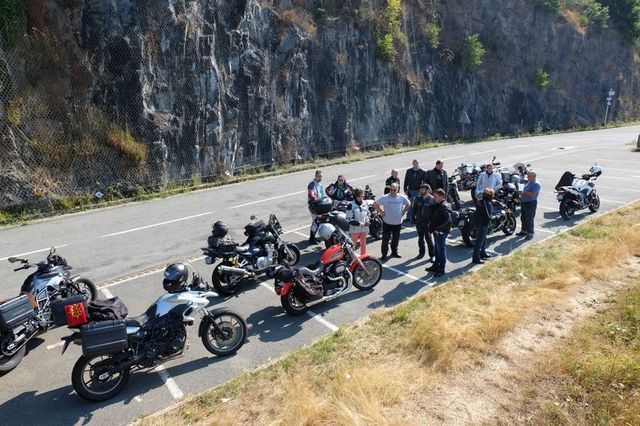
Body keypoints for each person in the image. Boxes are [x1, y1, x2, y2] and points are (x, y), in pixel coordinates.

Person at [374, 183, 410, 260]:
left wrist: (403, 212)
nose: (392, 191)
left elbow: (408, 204)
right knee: (385, 240)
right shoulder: (385, 197)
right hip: (387, 222)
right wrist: (381, 212)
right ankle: (384, 255)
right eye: (391, 190)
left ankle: (394, 252)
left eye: (394, 190)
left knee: (395, 239)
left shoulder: (401, 197)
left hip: (397, 223)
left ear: (397, 190)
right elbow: (375, 204)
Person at [427, 189, 451, 278]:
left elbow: (447, 221)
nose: (434, 198)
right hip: (436, 231)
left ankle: (441, 269)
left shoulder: (445, 206)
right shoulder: (437, 204)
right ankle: (435, 266)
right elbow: (434, 219)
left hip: (441, 232)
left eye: (436, 196)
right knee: (437, 250)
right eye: (434, 196)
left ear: (441, 196)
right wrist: (431, 230)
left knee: (441, 251)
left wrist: (437, 229)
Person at [412, 183, 435, 261]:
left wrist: (432, 224)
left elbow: (434, 212)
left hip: (427, 224)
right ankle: (421, 253)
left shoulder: (432, 199)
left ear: (427, 190)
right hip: (419, 223)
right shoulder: (417, 198)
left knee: (429, 240)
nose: (421, 191)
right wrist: (413, 219)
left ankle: (432, 255)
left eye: (423, 189)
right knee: (420, 239)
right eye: (420, 189)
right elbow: (414, 209)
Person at [472, 188, 494, 264]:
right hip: (483, 223)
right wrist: (493, 217)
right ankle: (476, 258)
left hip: (478, 222)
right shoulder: (487, 204)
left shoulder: (480, 201)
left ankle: (483, 253)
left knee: (484, 239)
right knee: (479, 241)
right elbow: (488, 215)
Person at [346, 188, 370, 255]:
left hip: (364, 228)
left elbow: (368, 213)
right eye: (360, 196)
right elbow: (348, 219)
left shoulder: (365, 203)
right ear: (356, 196)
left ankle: (363, 258)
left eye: (362, 196)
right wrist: (359, 223)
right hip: (355, 229)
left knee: (363, 244)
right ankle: (351, 259)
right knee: (352, 245)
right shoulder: (351, 205)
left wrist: (367, 220)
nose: (362, 198)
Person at [517, 170, 541, 240]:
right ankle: (524, 230)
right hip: (524, 202)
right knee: (523, 217)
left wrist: (523, 192)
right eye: (527, 176)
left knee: (529, 219)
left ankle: (530, 233)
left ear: (534, 176)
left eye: (529, 176)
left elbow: (532, 194)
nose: (527, 177)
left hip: (530, 203)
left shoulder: (536, 184)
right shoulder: (529, 182)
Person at [307, 170, 324, 244]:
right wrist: (315, 199)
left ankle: (313, 237)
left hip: (319, 205)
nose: (320, 177)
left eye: (321, 176)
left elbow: (321, 195)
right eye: (318, 176)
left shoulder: (320, 184)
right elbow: (311, 194)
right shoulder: (312, 184)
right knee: (316, 221)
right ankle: (312, 238)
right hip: (313, 206)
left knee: (318, 221)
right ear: (315, 176)